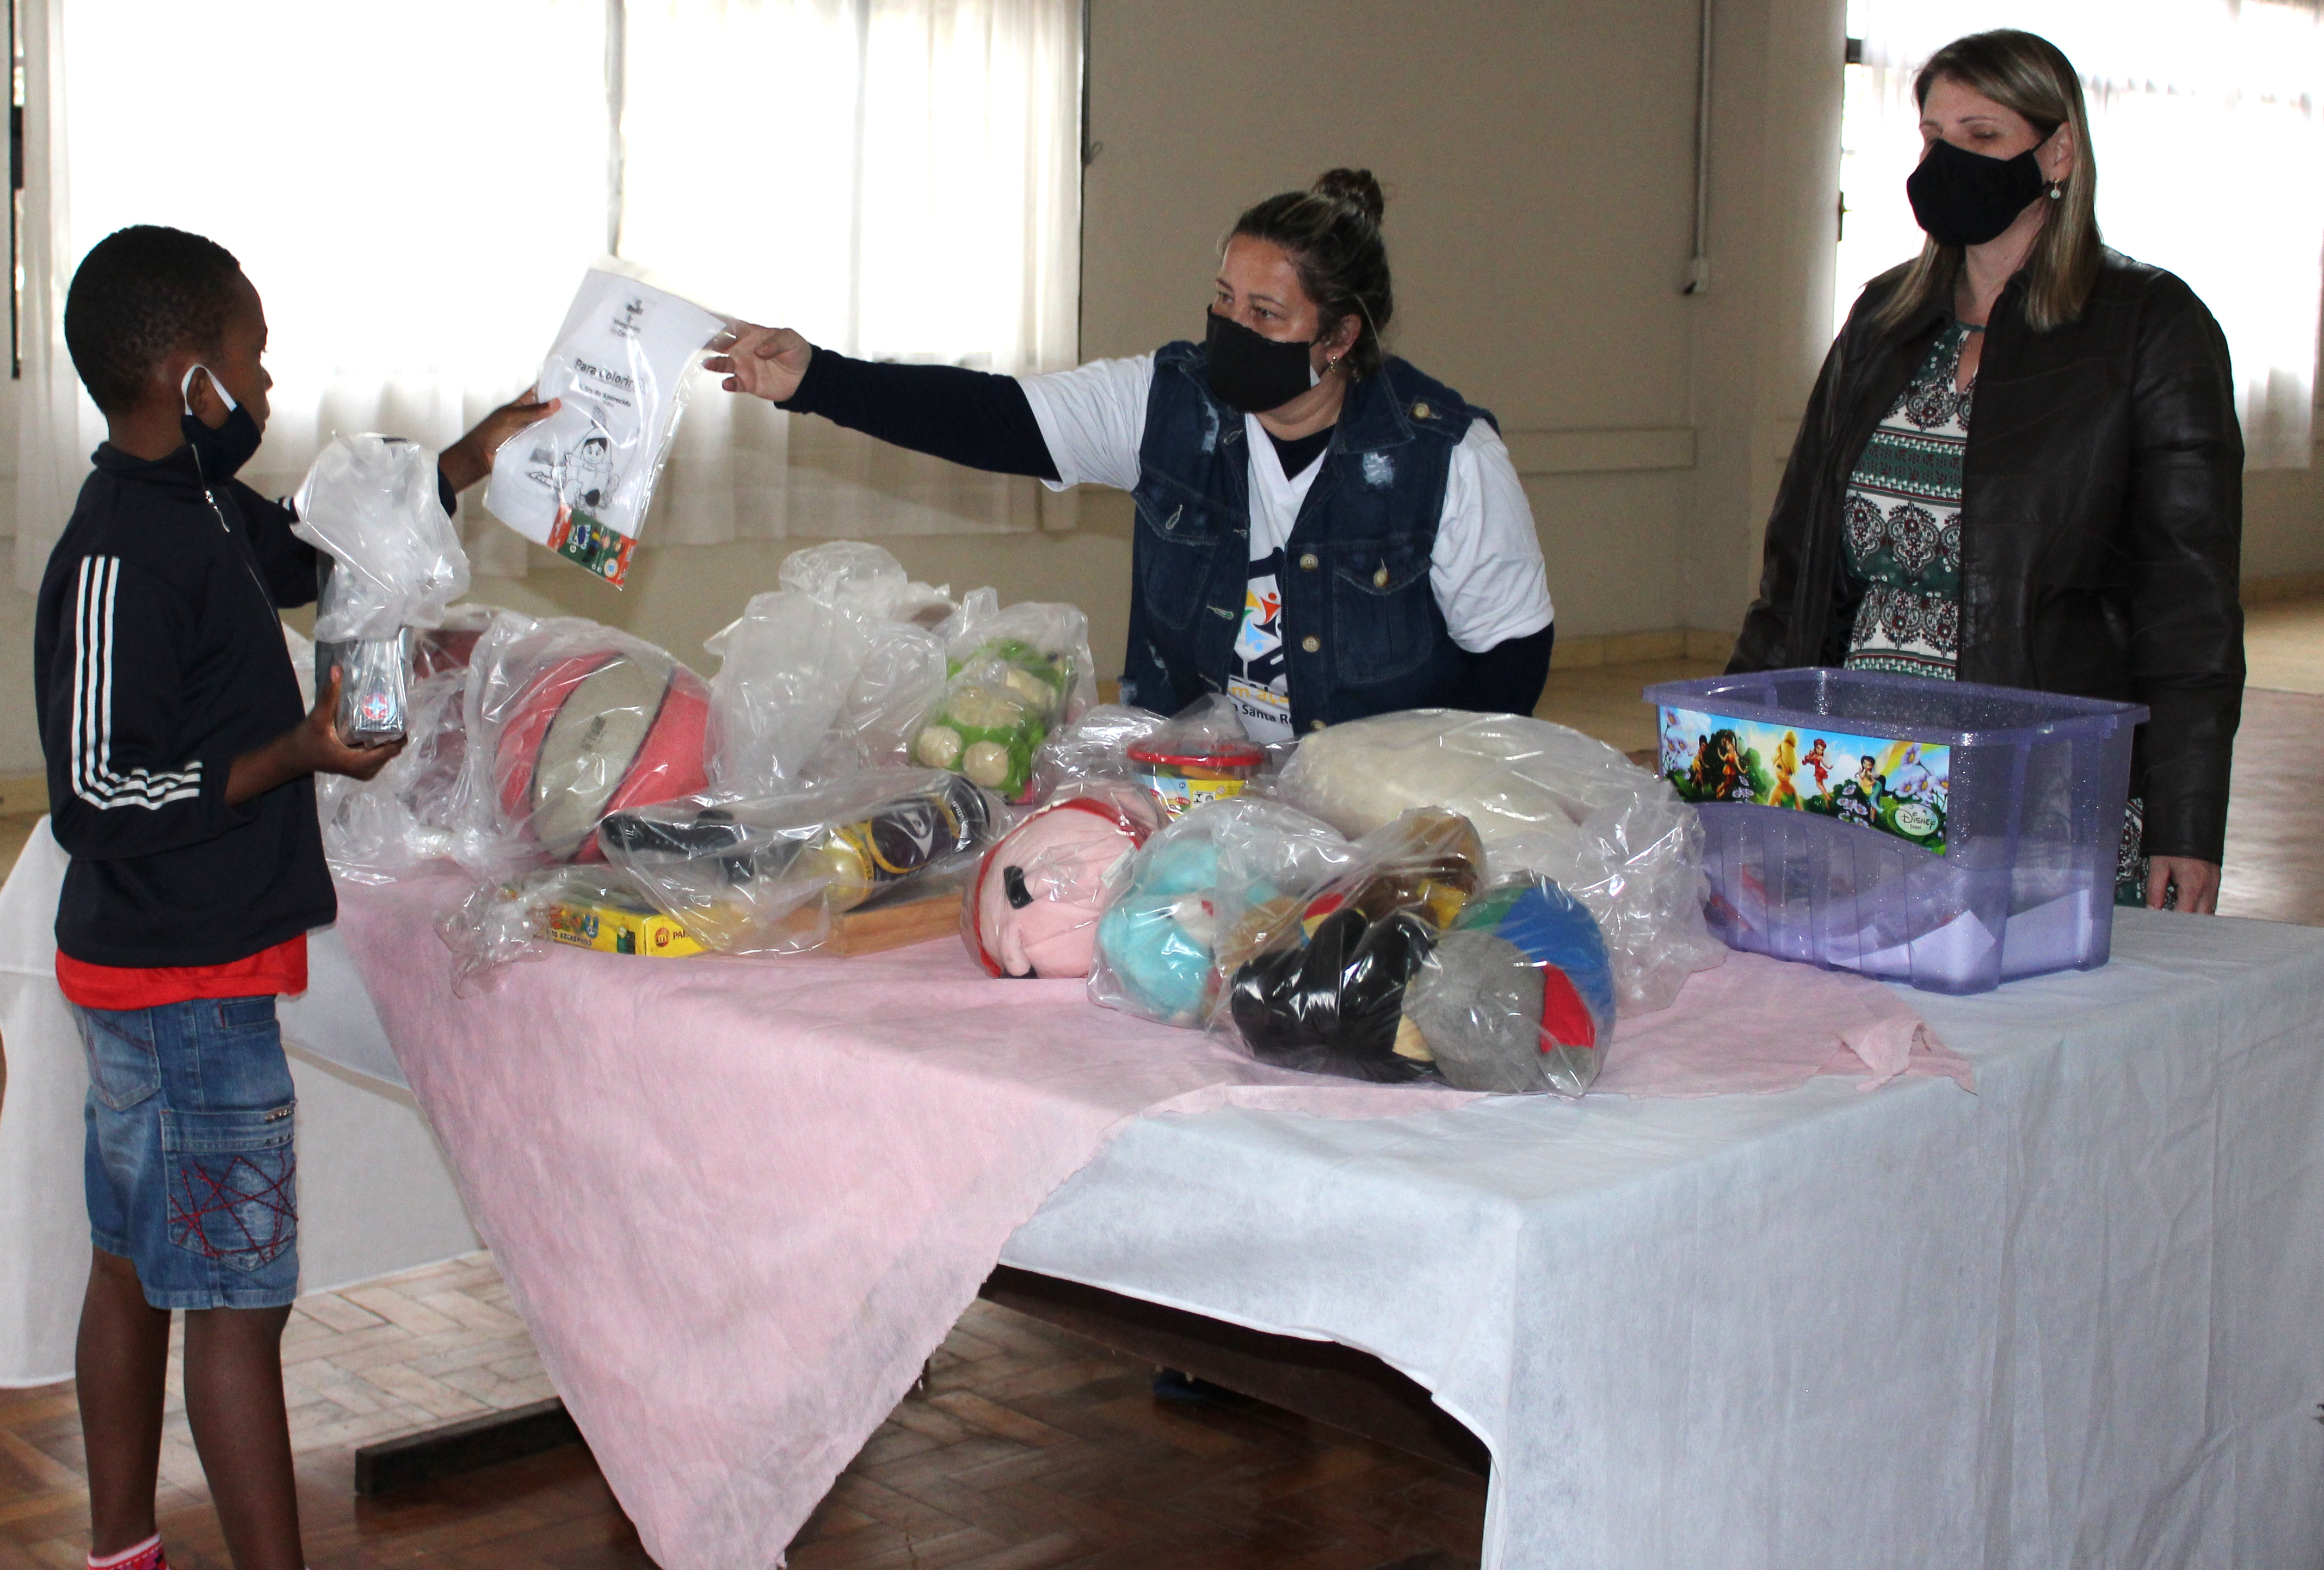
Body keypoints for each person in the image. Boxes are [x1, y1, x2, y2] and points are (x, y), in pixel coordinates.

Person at [33, 225, 553, 1570]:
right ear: (189, 374)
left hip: (197, 969)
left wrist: (466, 463)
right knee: (234, 1304)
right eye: (252, 358)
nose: (267, 386)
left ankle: (122, 1551)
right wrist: (296, 753)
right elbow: (96, 795)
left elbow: (314, 564)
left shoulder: (206, 504)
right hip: (177, 984)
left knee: (145, 1268)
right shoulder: (111, 553)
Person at [710, 169, 1556, 741]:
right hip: (1194, 785)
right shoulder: (1167, 402)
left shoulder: (1446, 456)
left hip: (1373, 807)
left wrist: (1429, 804)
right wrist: (816, 378)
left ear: (1337, 337)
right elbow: (991, 417)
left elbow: (1511, 660)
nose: (1233, 330)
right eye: (1225, 300)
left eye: (1267, 315)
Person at [1729, 29, 2242, 914]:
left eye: (1982, 136)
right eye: (1932, 136)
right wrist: (1732, 763)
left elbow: (2189, 604)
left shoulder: (2149, 327)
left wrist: (2186, 823)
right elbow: (1798, 580)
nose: (1946, 161)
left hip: (2041, 796)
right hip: (1862, 787)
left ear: (2059, 151)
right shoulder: (1884, 322)